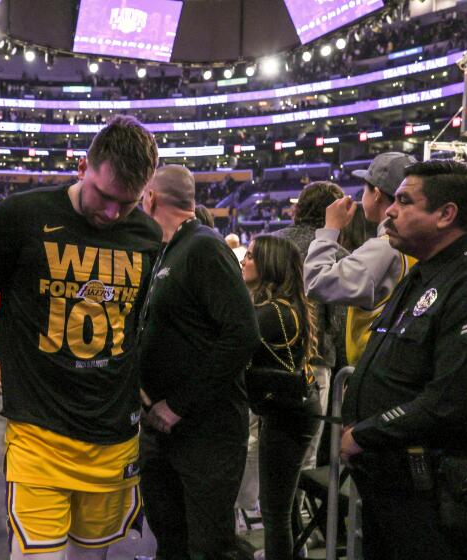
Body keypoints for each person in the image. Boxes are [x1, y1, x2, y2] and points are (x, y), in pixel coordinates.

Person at [0, 115, 162, 558]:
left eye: (125, 204)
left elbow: (144, 323)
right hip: (38, 433)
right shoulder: (22, 216)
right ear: (83, 167)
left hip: (112, 437)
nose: (110, 213)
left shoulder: (147, 235)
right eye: (103, 196)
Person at [340, 160, 467, 560]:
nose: (390, 210)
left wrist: (365, 434)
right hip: (392, 482)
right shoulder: (428, 273)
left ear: (445, 215)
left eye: (406, 202)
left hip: (432, 491)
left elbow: (450, 400)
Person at [138, 165, 259, 559]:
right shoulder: (167, 251)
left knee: (208, 546)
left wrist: (178, 404)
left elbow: (242, 333)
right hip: (165, 431)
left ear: (151, 198)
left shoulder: (205, 246)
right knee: (170, 539)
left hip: (205, 430)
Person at [242, 235, 320, 560]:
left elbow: (234, 347)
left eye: (250, 256)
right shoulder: (283, 306)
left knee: (274, 511)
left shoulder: (272, 312)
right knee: (282, 507)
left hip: (287, 416)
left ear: (267, 265)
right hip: (292, 412)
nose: (243, 261)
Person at [304, 152, 416, 365]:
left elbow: (316, 281)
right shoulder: (417, 241)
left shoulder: (385, 246)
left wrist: (330, 229)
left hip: (375, 366)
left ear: (376, 194)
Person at [275, 181, 347, 469]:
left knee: (259, 443)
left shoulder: (271, 241)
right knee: (305, 454)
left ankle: (252, 511)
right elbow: (338, 321)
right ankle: (292, 513)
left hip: (265, 356)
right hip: (314, 360)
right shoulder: (335, 254)